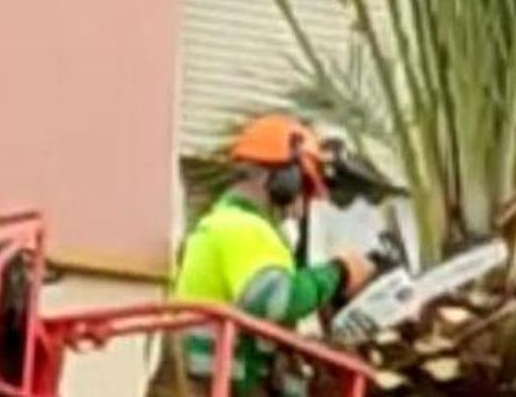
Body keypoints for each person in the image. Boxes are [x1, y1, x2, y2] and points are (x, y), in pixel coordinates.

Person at [149, 115, 380, 397]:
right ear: (284, 180)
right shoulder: (242, 227)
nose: (301, 210)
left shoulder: (224, 226)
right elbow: (275, 301)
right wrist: (340, 272)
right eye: (303, 189)